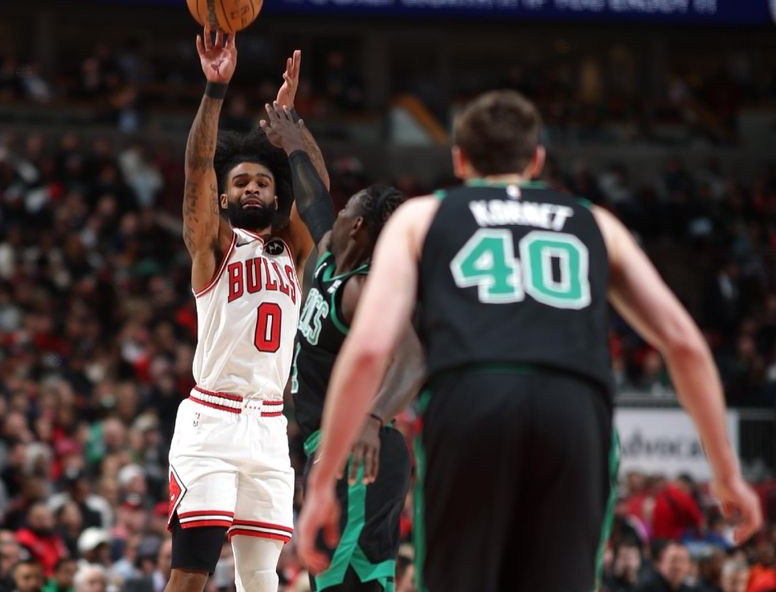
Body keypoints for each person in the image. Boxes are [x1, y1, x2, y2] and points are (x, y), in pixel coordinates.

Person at [296, 90, 762, 591]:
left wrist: (323, 484)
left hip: (474, 398)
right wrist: (727, 474)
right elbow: (684, 344)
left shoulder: (422, 217)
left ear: (459, 159)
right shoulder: (595, 221)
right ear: (538, 158)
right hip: (575, 409)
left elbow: (369, 349)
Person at [165, 29, 329, 592]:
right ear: (225, 195)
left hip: (268, 427)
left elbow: (320, 199)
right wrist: (215, 90)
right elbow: (195, 171)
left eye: (263, 180)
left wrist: (292, 130)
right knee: (191, 573)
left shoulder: (294, 250)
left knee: (263, 578)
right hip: (211, 420)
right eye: (241, 181)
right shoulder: (213, 245)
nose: (253, 187)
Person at [262, 110, 423, 591]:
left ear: (358, 228)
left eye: (348, 208)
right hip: (335, 450)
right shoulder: (331, 260)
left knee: (340, 583)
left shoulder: (364, 288)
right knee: (355, 583)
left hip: (358, 448)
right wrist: (292, 141)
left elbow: (414, 358)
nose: (337, 211)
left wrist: (373, 420)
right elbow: (312, 198)